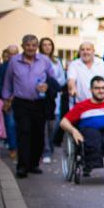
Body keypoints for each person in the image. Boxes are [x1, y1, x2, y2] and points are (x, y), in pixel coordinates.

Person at [2, 35, 56, 178]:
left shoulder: (44, 60)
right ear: (23, 46)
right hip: (21, 103)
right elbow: (8, 82)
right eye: (28, 45)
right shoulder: (14, 61)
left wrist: (47, 85)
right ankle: (22, 166)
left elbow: (53, 79)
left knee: (38, 135)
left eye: (34, 45)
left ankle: (34, 164)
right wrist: (6, 100)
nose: (31, 48)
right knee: (24, 133)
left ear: (37, 47)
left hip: (39, 103)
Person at [59, 76, 104, 176]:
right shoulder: (82, 105)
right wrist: (74, 131)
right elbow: (63, 122)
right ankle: (93, 160)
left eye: (103, 88)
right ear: (90, 90)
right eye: (97, 88)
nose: (100, 91)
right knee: (92, 133)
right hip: (90, 132)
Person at [39, 37, 66, 165]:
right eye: (44, 44)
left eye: (49, 44)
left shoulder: (57, 61)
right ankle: (46, 150)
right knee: (43, 126)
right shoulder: (37, 60)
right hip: (41, 97)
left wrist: (53, 85)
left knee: (54, 125)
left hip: (55, 96)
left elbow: (62, 78)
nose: (47, 47)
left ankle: (49, 145)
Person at [0, 45, 19, 159]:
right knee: (11, 124)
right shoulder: (2, 68)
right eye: (11, 53)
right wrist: (7, 98)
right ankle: (13, 148)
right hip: (8, 100)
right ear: (7, 55)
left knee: (21, 124)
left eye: (15, 53)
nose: (13, 55)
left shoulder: (22, 65)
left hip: (21, 99)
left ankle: (21, 147)